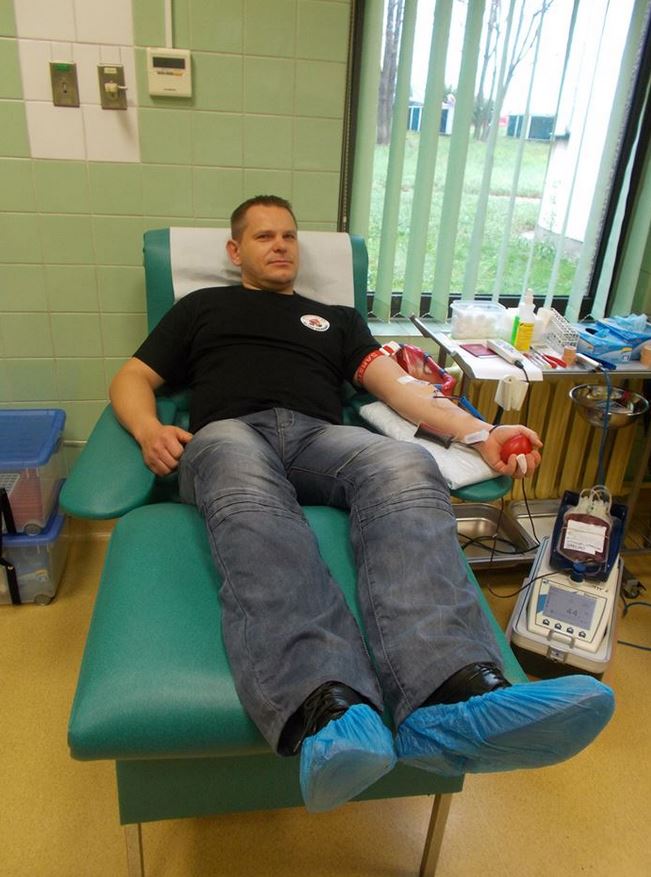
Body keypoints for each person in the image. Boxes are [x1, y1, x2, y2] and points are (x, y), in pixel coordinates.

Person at [110, 195, 614, 813]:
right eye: (264, 236)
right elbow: (132, 377)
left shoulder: (337, 320)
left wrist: (481, 433)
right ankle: (326, 703)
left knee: (405, 463)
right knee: (246, 483)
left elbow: (400, 390)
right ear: (235, 251)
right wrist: (148, 430)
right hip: (230, 434)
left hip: (320, 438)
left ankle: (447, 695)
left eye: (289, 235)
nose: (281, 245)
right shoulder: (202, 307)